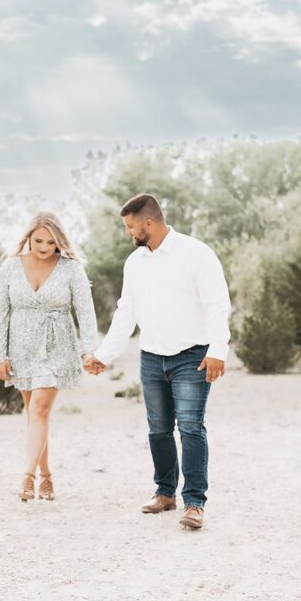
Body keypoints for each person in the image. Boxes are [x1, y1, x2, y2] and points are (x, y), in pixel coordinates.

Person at [84, 193, 231, 530]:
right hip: (151, 357)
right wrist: (103, 355)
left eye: (130, 226)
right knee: (159, 429)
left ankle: (194, 503)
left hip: (193, 355)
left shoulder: (196, 254)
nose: (128, 233)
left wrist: (218, 350)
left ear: (148, 223)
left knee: (191, 427)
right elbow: (126, 313)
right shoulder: (134, 263)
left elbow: (217, 305)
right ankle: (165, 494)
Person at [0, 211, 99, 502]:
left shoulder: (71, 268)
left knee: (40, 409)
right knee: (34, 414)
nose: (44, 247)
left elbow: (85, 313)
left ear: (59, 242)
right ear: (28, 238)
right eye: (38, 241)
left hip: (57, 347)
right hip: (21, 347)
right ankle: (47, 475)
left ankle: (27, 477)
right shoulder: (11, 268)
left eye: (51, 242)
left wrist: (89, 351)